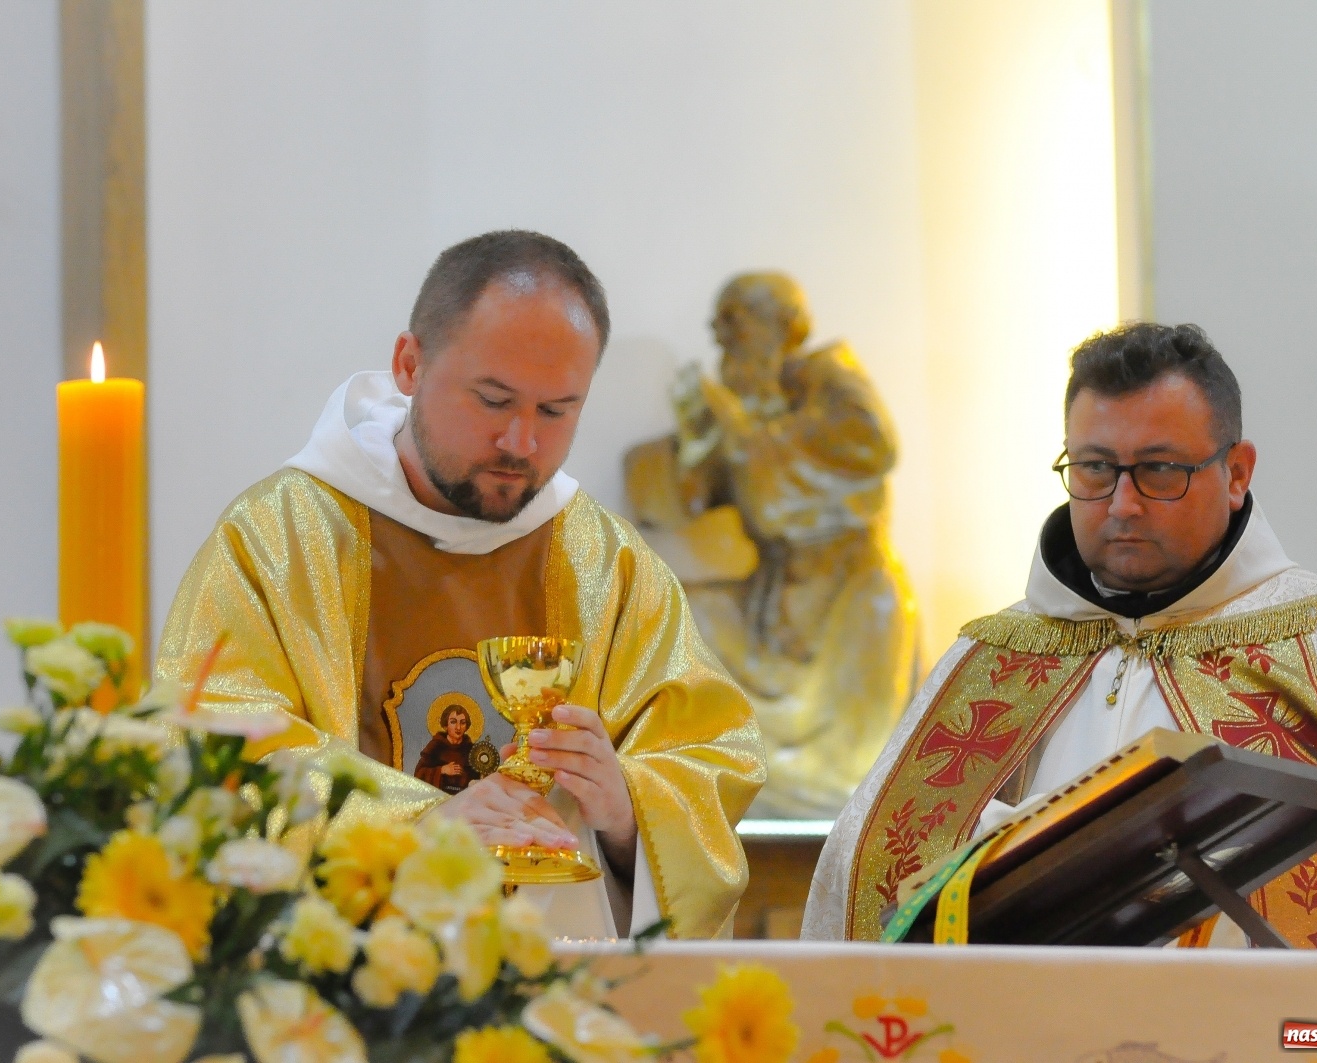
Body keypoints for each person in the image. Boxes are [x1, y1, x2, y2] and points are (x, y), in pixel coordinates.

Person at [158, 230, 765, 940]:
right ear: (409, 363)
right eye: (494, 398)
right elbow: (212, 747)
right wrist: (413, 822)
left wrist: (629, 806)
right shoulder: (280, 539)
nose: (521, 442)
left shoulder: (609, 564)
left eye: (556, 409)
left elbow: (708, 759)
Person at [803, 323, 1317, 949]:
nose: (1122, 504)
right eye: (1094, 468)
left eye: (1160, 470)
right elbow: (873, 875)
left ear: (1238, 473)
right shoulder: (990, 658)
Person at [624, 273, 919, 817]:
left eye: (733, 318)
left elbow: (866, 450)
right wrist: (696, 441)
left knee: (840, 778)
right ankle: (713, 780)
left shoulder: (830, 378)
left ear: (781, 326)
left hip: (846, 602)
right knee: (677, 608)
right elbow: (682, 501)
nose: (718, 334)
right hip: (770, 598)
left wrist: (739, 428)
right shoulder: (743, 402)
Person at [413, 702, 473, 795]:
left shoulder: (471, 750)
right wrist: (442, 770)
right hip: (438, 800)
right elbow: (418, 774)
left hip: (464, 802)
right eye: (453, 722)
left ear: (467, 726)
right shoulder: (436, 746)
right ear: (446, 725)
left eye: (462, 723)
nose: (458, 727)